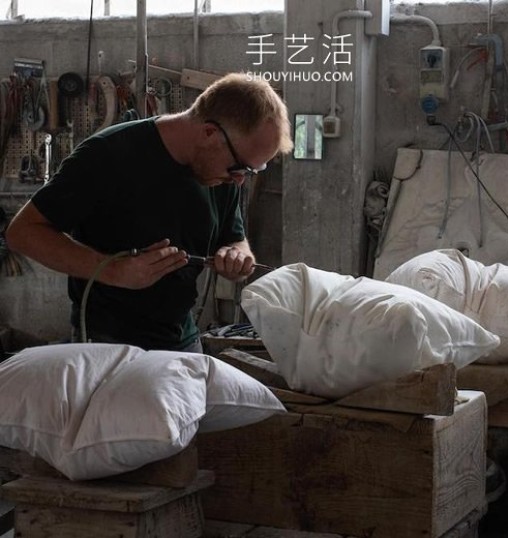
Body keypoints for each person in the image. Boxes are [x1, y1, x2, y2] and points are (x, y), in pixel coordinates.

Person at [6, 73, 293, 352]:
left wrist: (236, 253)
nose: (240, 179)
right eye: (240, 167)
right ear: (209, 133)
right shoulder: (107, 156)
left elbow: (233, 236)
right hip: (107, 342)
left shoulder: (221, 172)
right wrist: (113, 270)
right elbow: (23, 232)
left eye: (251, 171)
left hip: (183, 338)